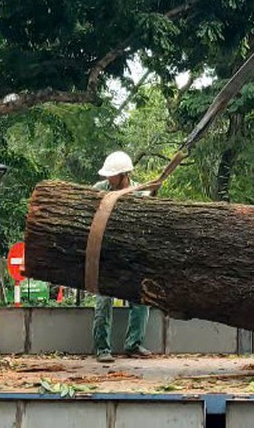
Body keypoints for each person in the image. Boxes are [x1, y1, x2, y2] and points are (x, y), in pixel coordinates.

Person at [92, 151, 151, 363]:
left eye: (112, 175)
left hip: (130, 256)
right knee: (103, 302)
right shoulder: (100, 190)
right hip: (106, 255)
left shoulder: (139, 193)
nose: (108, 178)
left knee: (140, 301)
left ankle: (133, 344)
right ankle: (102, 348)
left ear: (124, 174)